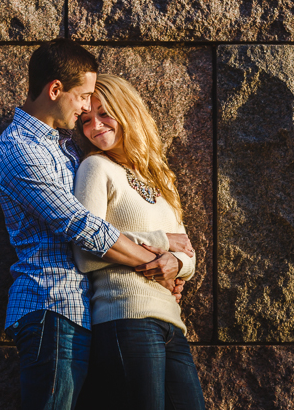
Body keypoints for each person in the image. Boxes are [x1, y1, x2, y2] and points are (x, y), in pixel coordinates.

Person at [0, 40, 190, 410]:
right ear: (55, 90)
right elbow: (82, 227)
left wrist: (172, 267)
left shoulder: (63, 147)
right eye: (83, 97)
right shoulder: (21, 147)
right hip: (50, 305)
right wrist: (158, 258)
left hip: (80, 310)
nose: (86, 108)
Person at [71, 74, 206, 410]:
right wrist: (161, 243)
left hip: (171, 322)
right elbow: (86, 249)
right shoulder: (94, 167)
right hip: (124, 318)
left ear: (126, 110)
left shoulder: (161, 181)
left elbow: (186, 250)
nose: (95, 126)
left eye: (104, 114)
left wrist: (177, 264)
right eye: (86, 120)